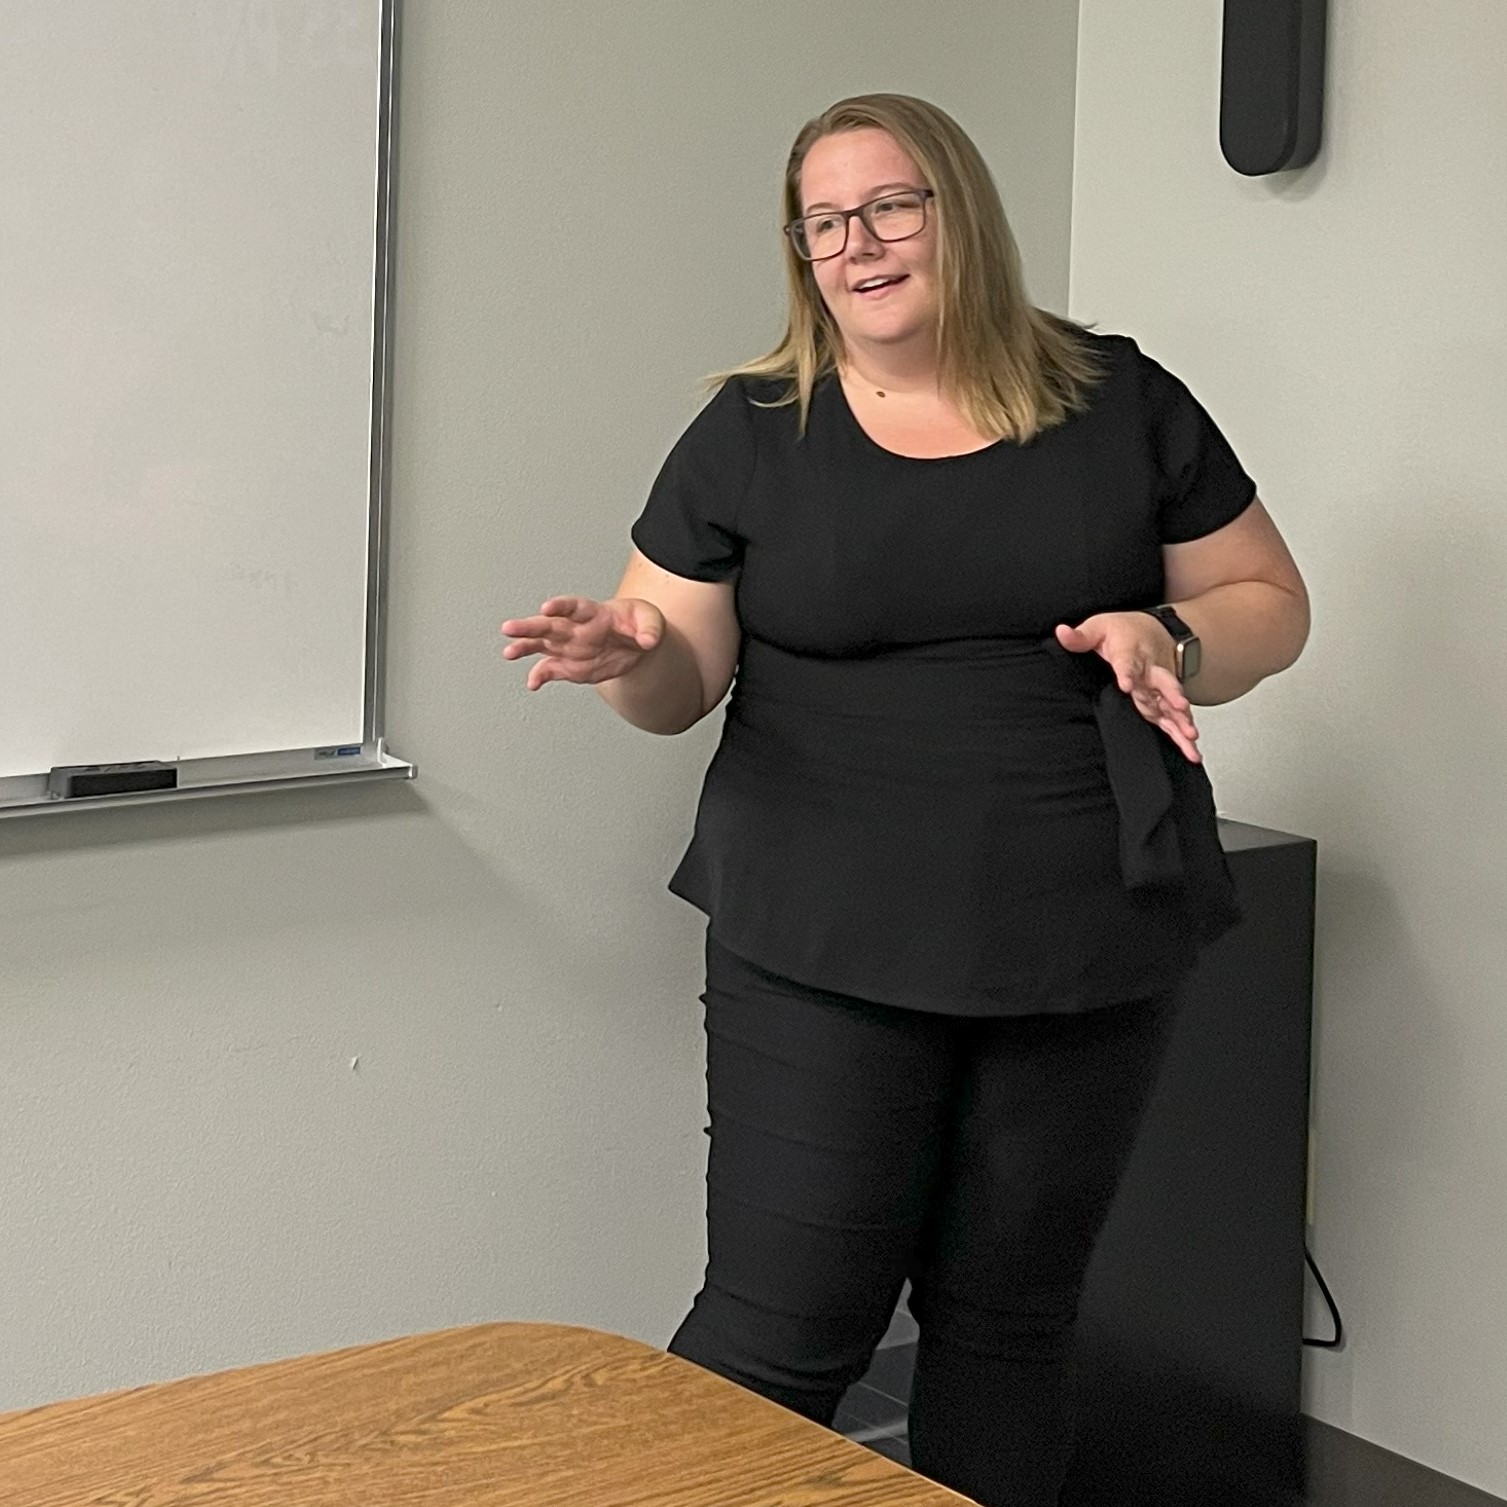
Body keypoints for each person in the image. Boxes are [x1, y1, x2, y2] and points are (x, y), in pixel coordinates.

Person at [501, 93, 1309, 1507]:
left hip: (1084, 932)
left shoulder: (1121, 399)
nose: (859, 243)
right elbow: (676, 676)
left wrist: (1168, 637)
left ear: (959, 214)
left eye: (890, 206)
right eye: (824, 224)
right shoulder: (754, 431)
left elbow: (1269, 604)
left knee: (1008, 1324)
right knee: (780, 1330)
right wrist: (630, 654)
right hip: (821, 936)